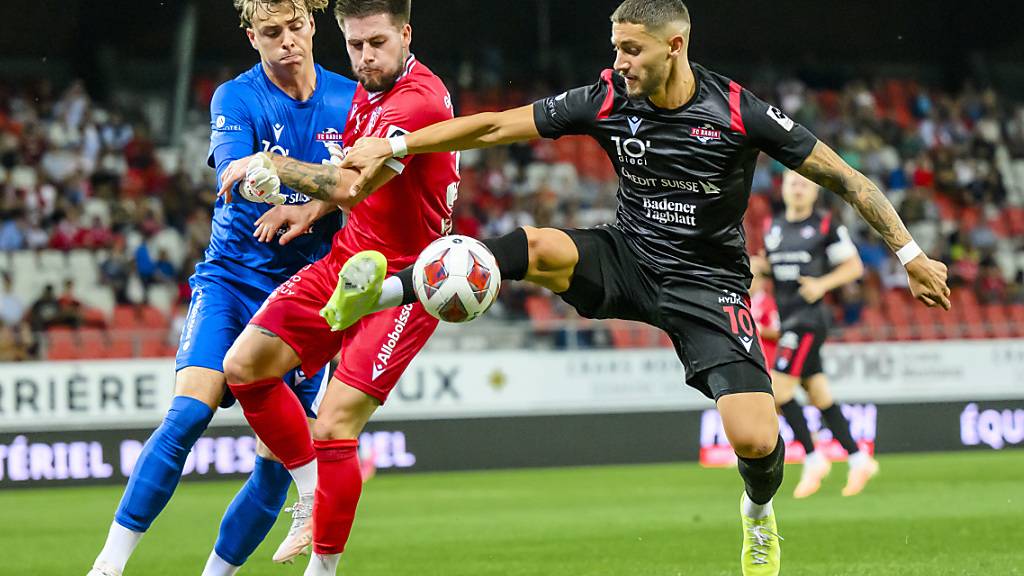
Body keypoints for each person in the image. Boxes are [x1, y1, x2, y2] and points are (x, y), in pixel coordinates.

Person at [330, 1, 951, 573]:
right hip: (628, 254)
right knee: (534, 246)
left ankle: (758, 512)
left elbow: (847, 179)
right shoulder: (607, 98)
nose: (619, 62)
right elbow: (494, 128)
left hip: (708, 284)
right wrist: (397, 143)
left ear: (674, 46)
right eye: (616, 48)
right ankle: (379, 293)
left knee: (756, 439)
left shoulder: (738, 111)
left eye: (631, 49)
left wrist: (911, 254)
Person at [85, 2, 357, 576]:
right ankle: (108, 566)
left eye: (295, 27)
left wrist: (308, 196)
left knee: (273, 468)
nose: (287, 41)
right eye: (271, 32)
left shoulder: (350, 99)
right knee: (187, 415)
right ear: (252, 37)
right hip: (231, 281)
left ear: (312, 24)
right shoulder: (235, 97)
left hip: (304, 294)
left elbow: (363, 187)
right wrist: (266, 179)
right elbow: (236, 173)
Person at [215, 1, 458, 574]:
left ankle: (321, 570)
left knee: (333, 426)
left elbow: (352, 185)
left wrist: (271, 166)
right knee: (244, 366)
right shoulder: (365, 95)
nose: (365, 57)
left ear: (405, 34)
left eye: (377, 43)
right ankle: (310, 489)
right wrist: (309, 210)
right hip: (347, 259)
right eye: (355, 46)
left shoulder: (417, 101)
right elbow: (349, 189)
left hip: (404, 281)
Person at [762, 170, 877, 499]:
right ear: (783, 189)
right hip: (788, 319)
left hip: (808, 321)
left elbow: (853, 267)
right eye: (792, 183)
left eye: (804, 184)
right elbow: (775, 269)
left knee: (777, 390)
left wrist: (822, 284)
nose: (798, 188)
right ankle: (858, 459)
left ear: (815, 192)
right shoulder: (774, 227)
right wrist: (760, 268)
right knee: (818, 394)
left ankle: (814, 459)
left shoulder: (826, 225)